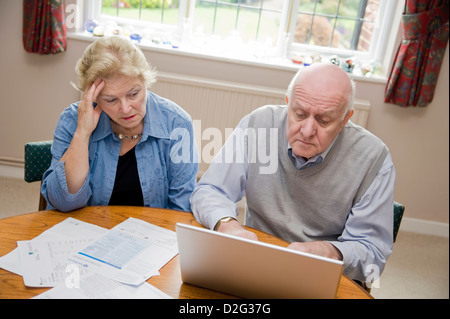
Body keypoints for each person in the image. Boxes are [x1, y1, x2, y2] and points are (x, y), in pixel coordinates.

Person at [190, 63, 395, 283]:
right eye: (300, 114)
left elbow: (372, 252)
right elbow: (210, 190)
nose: (307, 131)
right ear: (288, 104)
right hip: (254, 261)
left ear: (345, 119)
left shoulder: (374, 159)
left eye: (323, 120)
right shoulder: (258, 125)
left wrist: (330, 252)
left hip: (319, 274)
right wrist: (227, 225)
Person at [42, 36, 198, 213]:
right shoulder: (71, 120)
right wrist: (82, 133)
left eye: (133, 94)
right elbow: (63, 203)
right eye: (111, 99)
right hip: (86, 233)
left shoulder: (177, 123)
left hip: (152, 236)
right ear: (94, 97)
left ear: (145, 83)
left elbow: (181, 210)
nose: (125, 109)